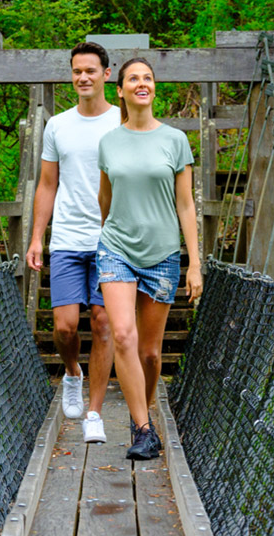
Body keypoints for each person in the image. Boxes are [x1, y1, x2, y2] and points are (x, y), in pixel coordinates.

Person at [96, 57, 203, 461]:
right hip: (117, 248)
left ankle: (144, 411)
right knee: (122, 334)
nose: (142, 83)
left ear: (154, 88)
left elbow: (186, 206)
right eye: (133, 79)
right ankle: (142, 428)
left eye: (148, 78)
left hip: (161, 254)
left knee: (150, 354)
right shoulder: (108, 142)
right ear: (120, 91)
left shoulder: (175, 140)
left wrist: (194, 264)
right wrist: (112, 235)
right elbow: (105, 200)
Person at [25, 42, 123, 442]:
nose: (83, 77)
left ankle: (95, 413)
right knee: (65, 327)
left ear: (106, 74)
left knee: (102, 324)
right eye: (76, 71)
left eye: (90, 71)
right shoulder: (57, 125)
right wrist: (36, 237)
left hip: (111, 240)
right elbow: (47, 184)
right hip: (66, 238)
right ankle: (71, 373)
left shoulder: (123, 121)